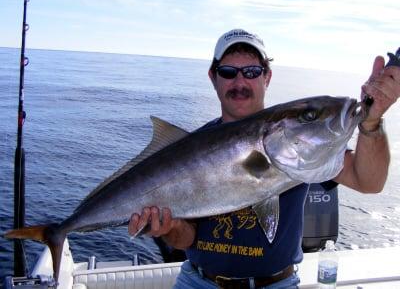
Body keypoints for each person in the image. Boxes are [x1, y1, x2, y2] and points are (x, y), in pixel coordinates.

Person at [128, 29, 400, 288]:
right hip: (198, 281)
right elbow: (185, 239)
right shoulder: (190, 147)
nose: (240, 82)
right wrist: (168, 227)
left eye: (252, 72)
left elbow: (369, 182)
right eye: (228, 72)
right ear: (213, 77)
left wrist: (372, 122)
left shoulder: (305, 150)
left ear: (267, 77)